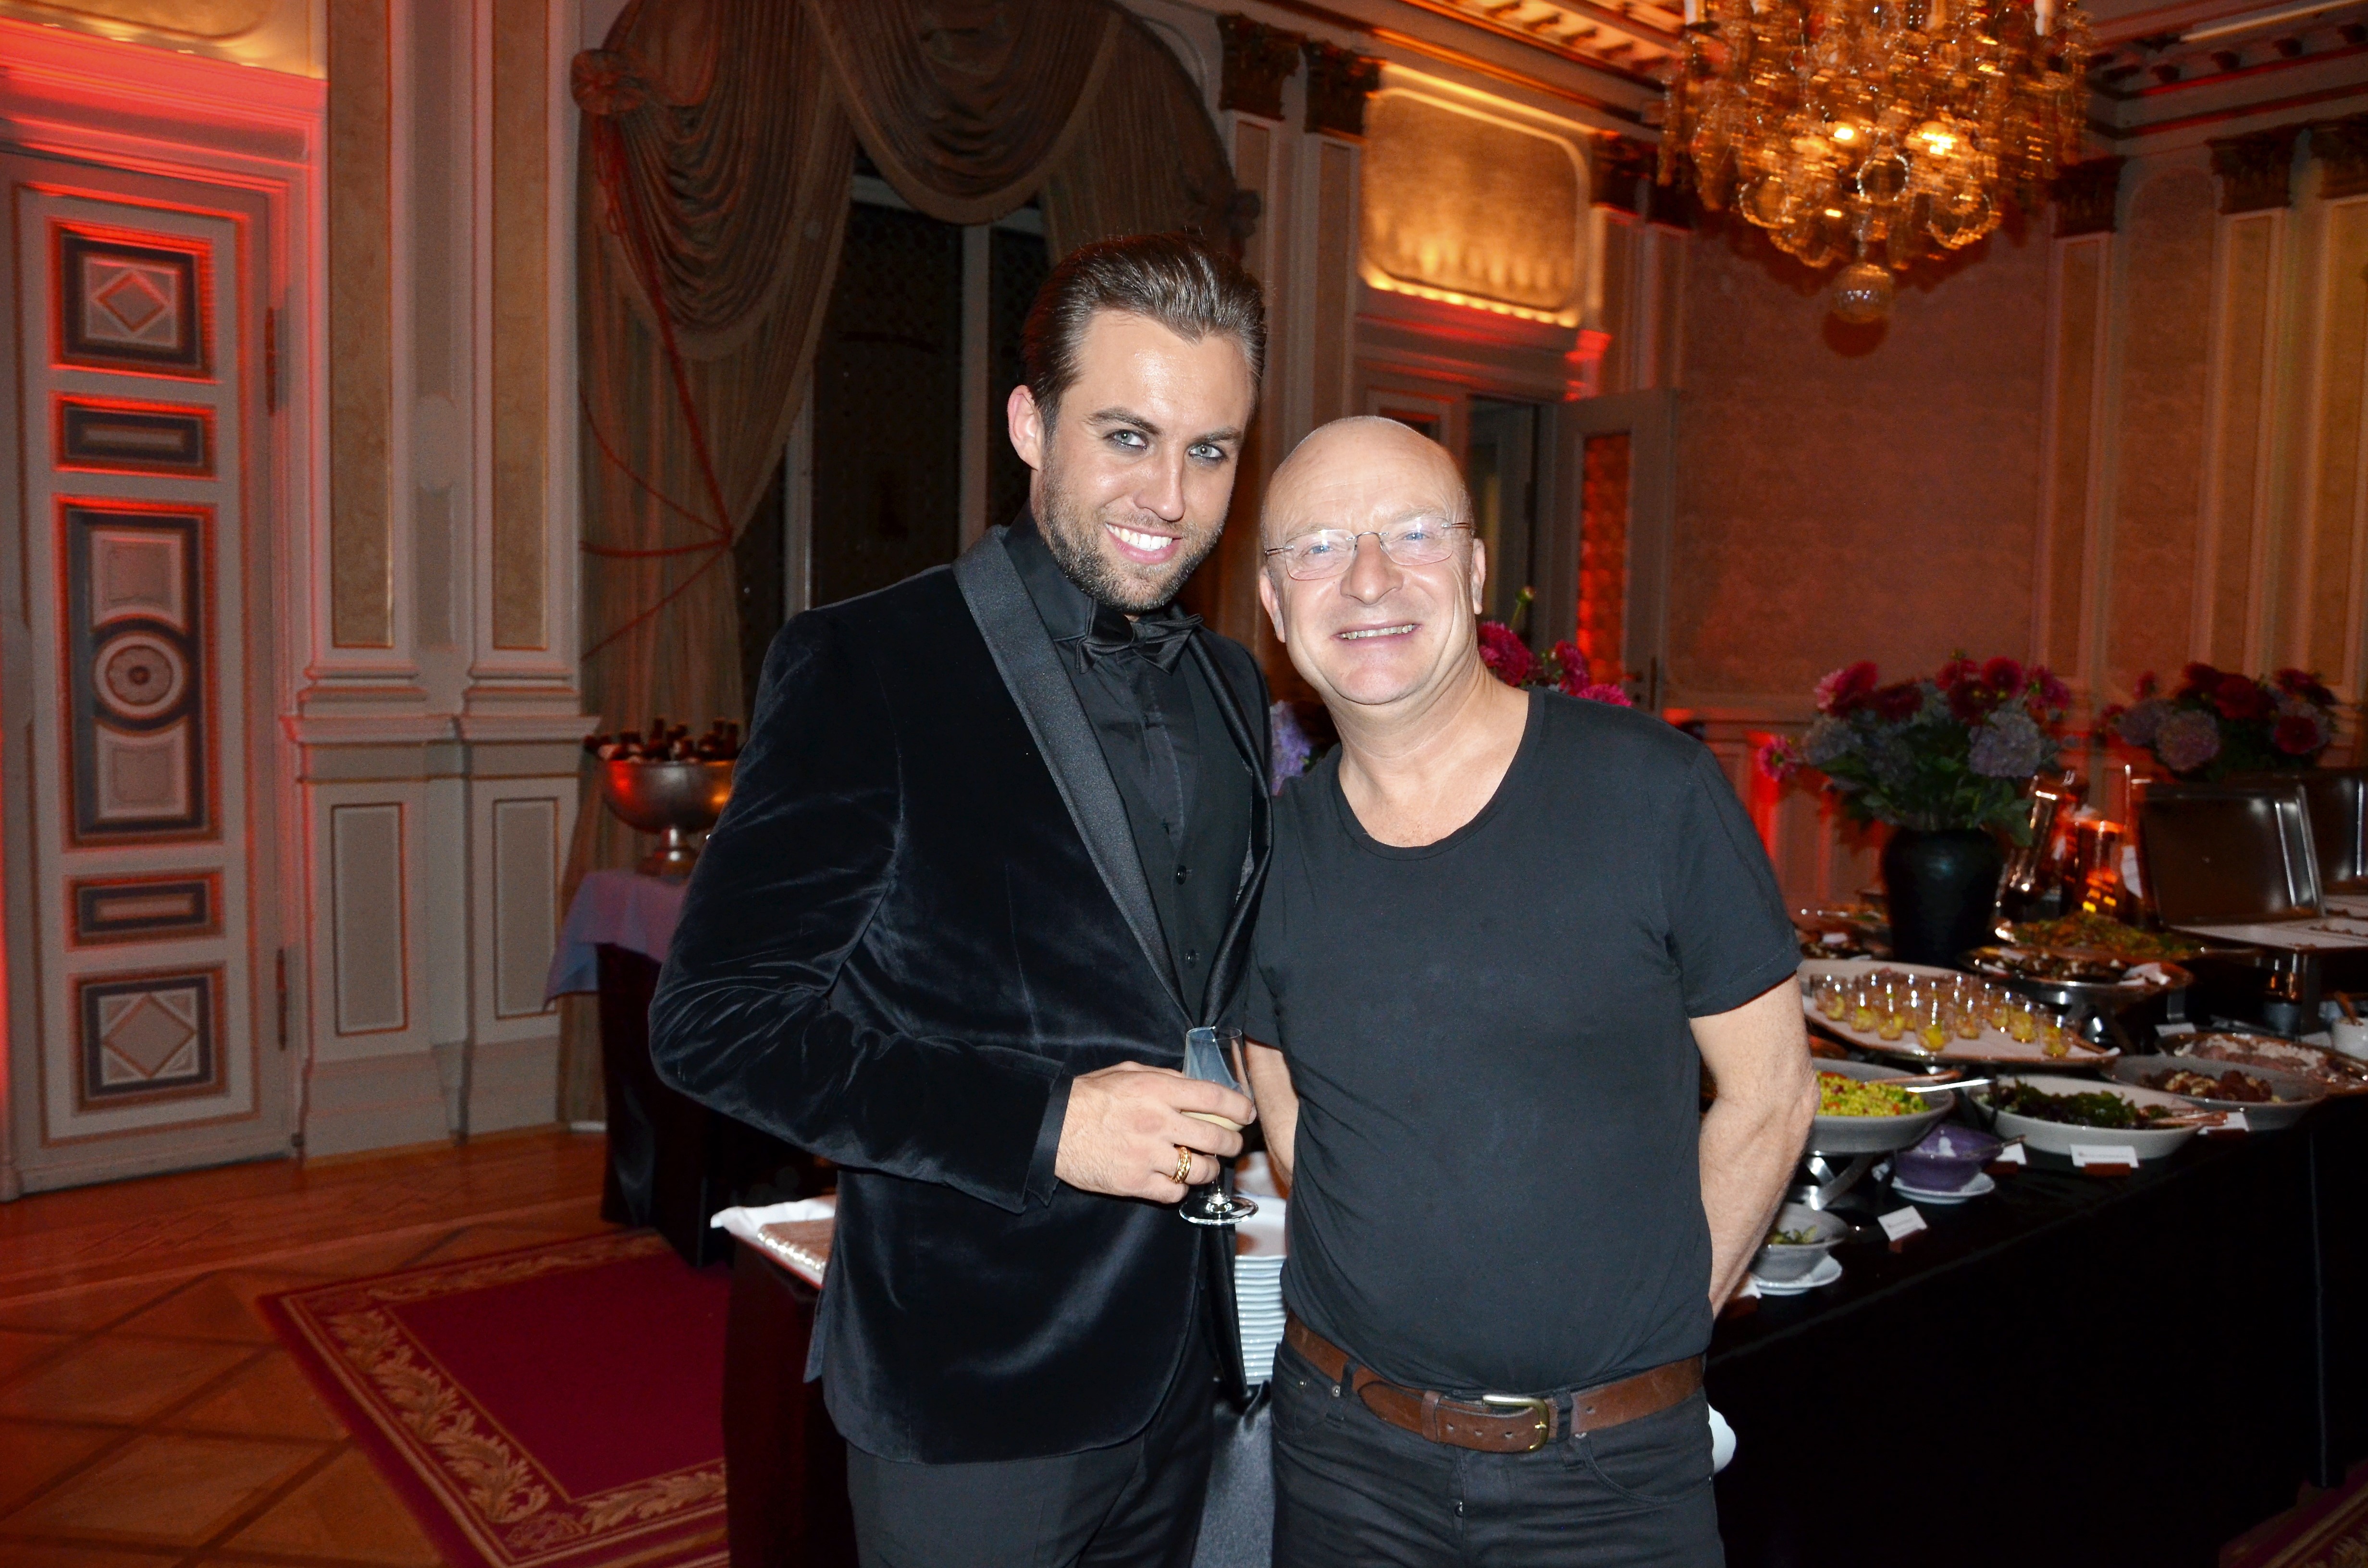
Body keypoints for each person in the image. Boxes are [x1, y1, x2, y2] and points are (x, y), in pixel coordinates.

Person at [648, 233, 1276, 1568]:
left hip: (1190, 1362)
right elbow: (714, 1022)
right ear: (1030, 425)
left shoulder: (1229, 682)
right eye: (1127, 436)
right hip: (974, 1391)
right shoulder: (869, 663)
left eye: (1211, 451)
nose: (1169, 496)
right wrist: (1046, 1124)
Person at [1239, 417, 1815, 1567]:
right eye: (1319, 547)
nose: (1367, 579)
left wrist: (1642, 1347)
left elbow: (1772, 1096)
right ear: (1272, 602)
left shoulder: (1652, 793)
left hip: (1607, 1483)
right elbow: (1299, 1136)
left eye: (1411, 534)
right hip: (1345, 1465)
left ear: (1471, 569)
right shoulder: (1270, 855)